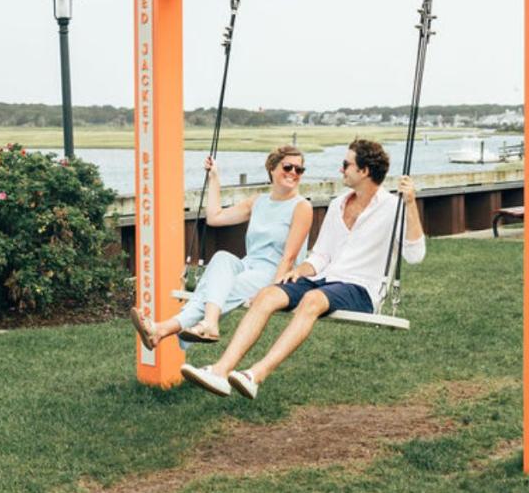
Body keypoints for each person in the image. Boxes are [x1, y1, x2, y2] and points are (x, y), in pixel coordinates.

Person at [180, 138, 424, 399]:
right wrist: (300, 270)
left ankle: (255, 375)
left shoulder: (393, 207)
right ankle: (220, 371)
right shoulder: (337, 204)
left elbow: (415, 254)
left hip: (361, 287)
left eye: (346, 165)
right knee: (269, 294)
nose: (341, 169)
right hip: (325, 279)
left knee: (312, 300)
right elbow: (321, 255)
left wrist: (410, 205)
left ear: (364, 171)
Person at [131, 145, 313, 348]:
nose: (294, 173)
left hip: (274, 274)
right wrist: (214, 178)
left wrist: (270, 291)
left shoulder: (301, 207)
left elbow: (289, 258)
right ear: (272, 168)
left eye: (299, 170)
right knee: (221, 258)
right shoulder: (258, 202)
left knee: (218, 288)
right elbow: (214, 218)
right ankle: (203, 324)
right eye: (288, 167)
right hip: (248, 265)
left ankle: (165, 329)